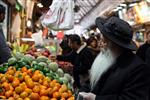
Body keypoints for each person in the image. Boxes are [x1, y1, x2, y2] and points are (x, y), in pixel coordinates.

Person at [78, 17, 150, 100]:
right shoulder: (107, 58)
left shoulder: (138, 68)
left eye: (104, 41)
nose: (100, 44)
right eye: (100, 40)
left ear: (117, 45)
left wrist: (96, 98)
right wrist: (83, 91)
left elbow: (131, 98)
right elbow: (92, 82)